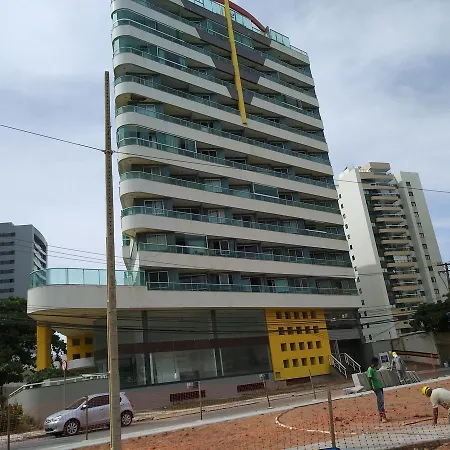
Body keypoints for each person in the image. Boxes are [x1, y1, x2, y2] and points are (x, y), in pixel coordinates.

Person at [367, 357, 387, 422]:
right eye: (377, 362)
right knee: (380, 401)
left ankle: (383, 415)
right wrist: (372, 387)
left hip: (379, 386)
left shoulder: (374, 369)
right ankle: (382, 416)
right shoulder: (370, 369)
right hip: (376, 387)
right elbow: (369, 379)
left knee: (381, 401)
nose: (378, 364)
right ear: (374, 362)